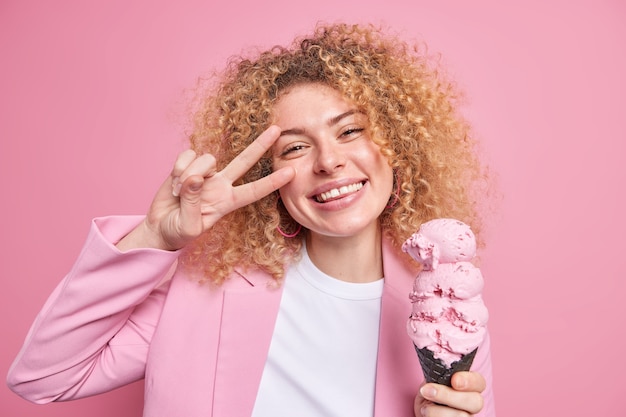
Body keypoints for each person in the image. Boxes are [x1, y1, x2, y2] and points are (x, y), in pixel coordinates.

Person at [7, 22, 495, 416]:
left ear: (397, 148)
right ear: (271, 180)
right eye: (296, 147)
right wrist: (155, 236)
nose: (328, 162)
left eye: (349, 131)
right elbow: (42, 377)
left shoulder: (445, 312)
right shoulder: (201, 293)